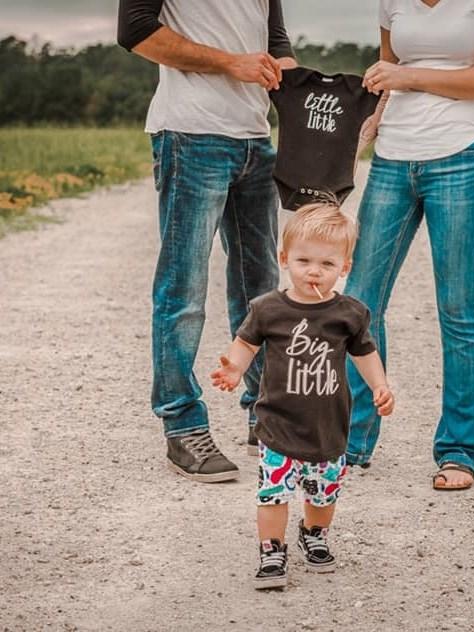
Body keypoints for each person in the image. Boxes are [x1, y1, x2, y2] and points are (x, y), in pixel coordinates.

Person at [345, 0, 474, 489]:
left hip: (462, 157)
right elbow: (387, 72)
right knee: (359, 303)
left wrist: (409, 77)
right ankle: (352, 442)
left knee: (457, 308)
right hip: (392, 160)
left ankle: (458, 451)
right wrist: (369, 123)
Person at [116, 1, 296, 482]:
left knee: (261, 289)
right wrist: (232, 63)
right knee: (184, 288)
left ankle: (265, 413)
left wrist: (314, 99)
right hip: (191, 134)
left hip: (255, 139)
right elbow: (135, 30)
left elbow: (275, 43)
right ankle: (183, 424)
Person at [211, 203, 394, 589]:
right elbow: (246, 343)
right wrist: (234, 368)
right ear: (284, 259)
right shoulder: (268, 309)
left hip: (327, 427)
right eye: (303, 260)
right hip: (277, 424)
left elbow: (364, 352)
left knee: (322, 495)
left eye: (327, 264)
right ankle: (271, 549)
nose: (314, 271)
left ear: (344, 267)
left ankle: (314, 533)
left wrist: (380, 384)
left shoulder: (349, 314)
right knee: (273, 493)